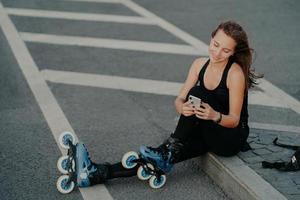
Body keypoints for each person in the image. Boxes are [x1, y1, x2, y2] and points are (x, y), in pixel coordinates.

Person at [71, 20, 261, 187]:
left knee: (196, 93)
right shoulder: (199, 65)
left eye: (225, 50)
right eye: (215, 44)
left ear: (234, 52)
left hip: (229, 137)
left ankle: (170, 150)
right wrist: (183, 107)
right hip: (205, 126)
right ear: (211, 37)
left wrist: (214, 115)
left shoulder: (235, 74)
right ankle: (96, 173)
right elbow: (179, 100)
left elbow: (235, 121)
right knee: (159, 154)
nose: (217, 52)